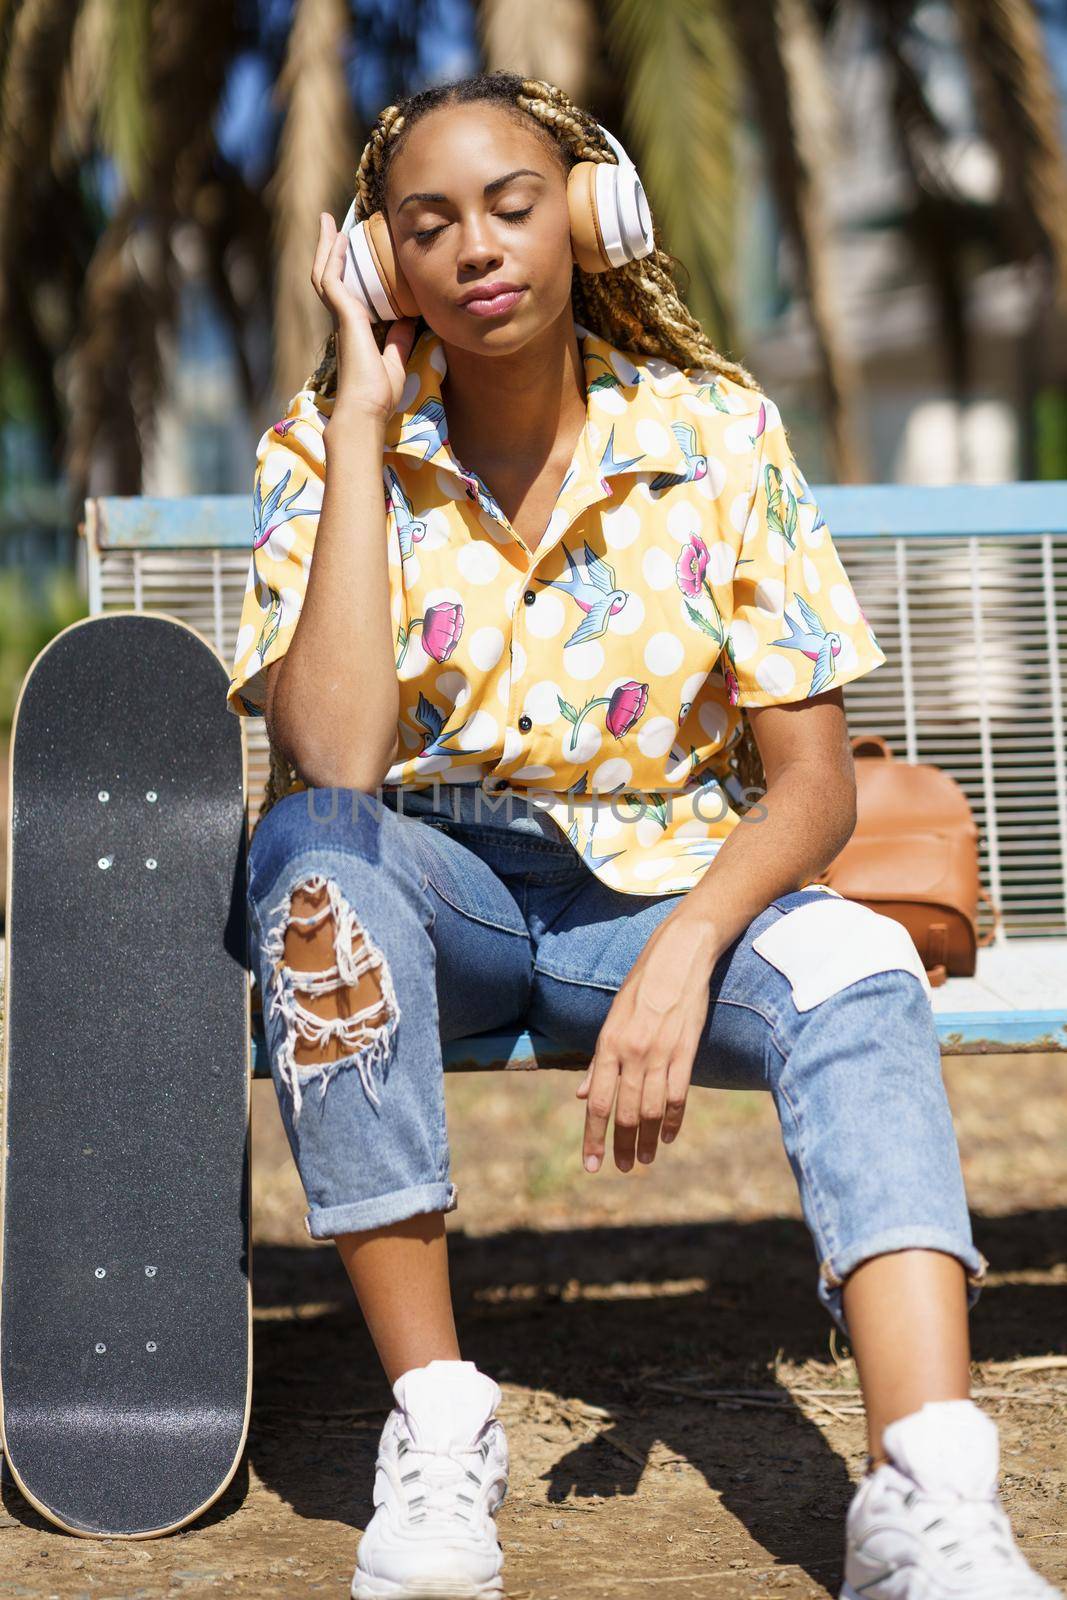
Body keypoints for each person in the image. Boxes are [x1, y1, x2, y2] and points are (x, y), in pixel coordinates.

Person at [228, 69, 1061, 1600]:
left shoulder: (717, 432)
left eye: (512, 204)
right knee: (316, 873)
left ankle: (928, 1496)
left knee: (859, 974)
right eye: (428, 225)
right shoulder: (323, 451)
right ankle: (438, 1427)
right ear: (377, 262)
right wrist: (361, 416)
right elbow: (336, 760)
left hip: (675, 886)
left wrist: (687, 950)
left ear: (593, 216)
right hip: (440, 889)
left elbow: (813, 788)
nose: (477, 246)